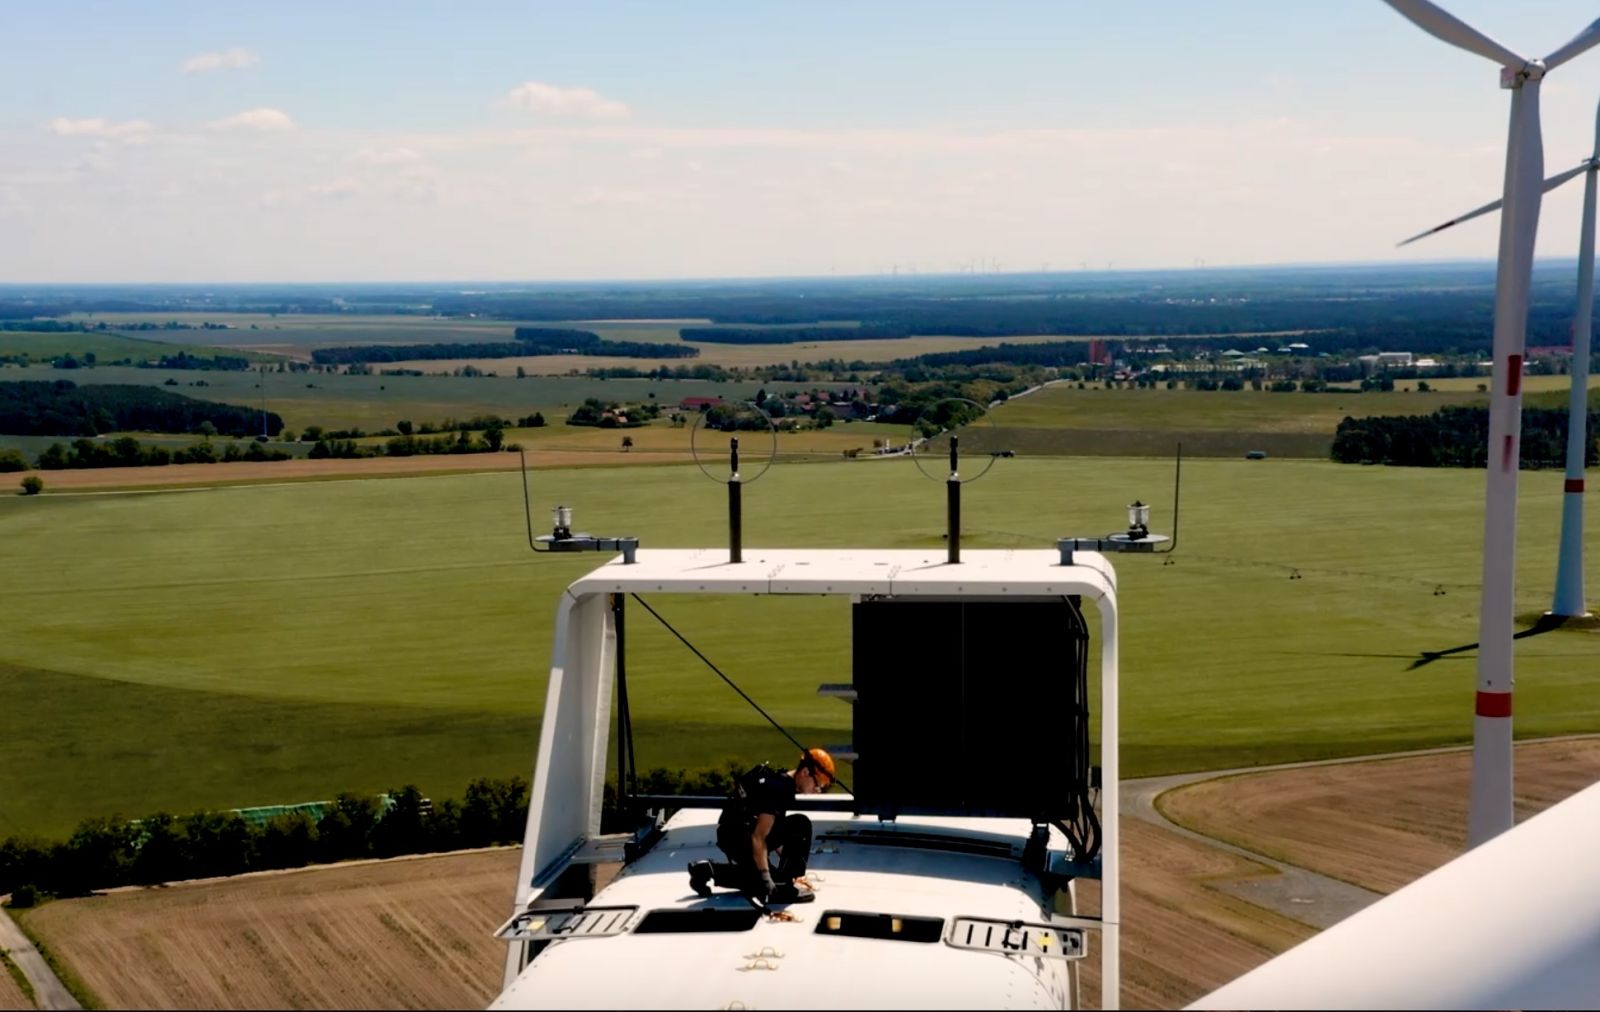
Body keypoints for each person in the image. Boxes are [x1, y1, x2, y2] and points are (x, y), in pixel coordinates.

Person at [688, 747, 836, 905]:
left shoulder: (781, 782)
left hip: (735, 832)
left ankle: (705, 870)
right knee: (800, 825)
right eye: (818, 784)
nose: (817, 791)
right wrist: (766, 877)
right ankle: (783, 886)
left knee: (796, 827)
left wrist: (786, 863)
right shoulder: (779, 789)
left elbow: (775, 828)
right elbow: (759, 837)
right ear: (805, 772)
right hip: (739, 838)